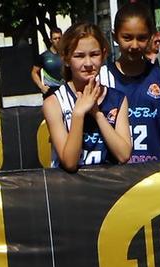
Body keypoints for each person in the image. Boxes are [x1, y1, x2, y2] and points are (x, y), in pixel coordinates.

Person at [46, 23, 133, 170]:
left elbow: (124, 154)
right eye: (79, 56)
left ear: (104, 55)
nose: (88, 63)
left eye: (94, 55)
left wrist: (97, 114)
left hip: (111, 189)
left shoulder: (118, 99)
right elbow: (70, 162)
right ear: (66, 59)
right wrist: (78, 114)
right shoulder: (54, 103)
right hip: (71, 191)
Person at [101, 4, 160, 163]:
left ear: (152, 37)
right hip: (116, 176)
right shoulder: (102, 78)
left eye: (141, 38)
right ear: (115, 37)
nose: (134, 45)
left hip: (154, 175)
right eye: (127, 38)